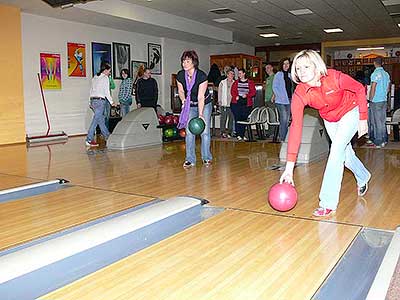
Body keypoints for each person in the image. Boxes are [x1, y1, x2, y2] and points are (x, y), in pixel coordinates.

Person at [280, 50, 370, 217]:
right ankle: (363, 176)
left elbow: (359, 88)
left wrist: (363, 118)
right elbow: (296, 128)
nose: (302, 71)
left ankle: (327, 202)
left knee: (335, 151)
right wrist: (289, 168)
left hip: (352, 110)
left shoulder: (334, 77)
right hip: (330, 118)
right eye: (298, 68)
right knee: (345, 154)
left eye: (306, 66)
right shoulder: (300, 94)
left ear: (316, 66)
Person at [177, 50, 213, 168]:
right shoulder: (181, 75)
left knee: (205, 132)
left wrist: (201, 115)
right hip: (190, 105)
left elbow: (200, 97)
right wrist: (183, 101)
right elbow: (181, 91)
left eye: (188, 61)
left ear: (194, 62)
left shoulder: (202, 76)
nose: (184, 64)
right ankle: (190, 159)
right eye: (183, 61)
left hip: (204, 103)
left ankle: (206, 158)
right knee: (189, 132)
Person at [86, 62, 116, 147]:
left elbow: (91, 90)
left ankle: (107, 136)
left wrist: (90, 102)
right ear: (105, 70)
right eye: (109, 71)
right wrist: (111, 102)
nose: (109, 73)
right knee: (95, 120)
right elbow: (106, 91)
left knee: (100, 120)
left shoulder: (95, 77)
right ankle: (88, 139)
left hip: (93, 100)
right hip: (100, 101)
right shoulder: (105, 78)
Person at [369, 57, 390, 148]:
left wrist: (370, 99)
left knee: (376, 122)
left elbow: (373, 88)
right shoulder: (386, 74)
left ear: (374, 63)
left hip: (376, 101)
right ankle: (384, 140)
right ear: (382, 63)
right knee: (382, 121)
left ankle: (378, 142)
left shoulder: (375, 74)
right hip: (384, 100)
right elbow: (388, 88)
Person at [231, 68, 256, 141]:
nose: (239, 75)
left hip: (246, 103)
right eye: (238, 74)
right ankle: (239, 134)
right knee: (237, 118)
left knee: (244, 118)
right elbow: (232, 91)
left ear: (244, 73)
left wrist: (247, 95)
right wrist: (236, 96)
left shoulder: (250, 82)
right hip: (237, 103)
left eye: (240, 73)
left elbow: (253, 92)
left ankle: (242, 134)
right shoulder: (236, 82)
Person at [273, 57, 293, 142]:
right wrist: (279, 96)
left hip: (289, 100)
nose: (286, 65)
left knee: (287, 119)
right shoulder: (278, 74)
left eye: (287, 64)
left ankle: (286, 137)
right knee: (284, 119)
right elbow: (275, 87)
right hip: (280, 101)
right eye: (284, 64)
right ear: (281, 65)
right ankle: (282, 138)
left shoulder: (290, 75)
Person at [218, 69, 235, 138]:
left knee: (231, 118)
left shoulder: (235, 83)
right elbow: (219, 92)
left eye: (233, 74)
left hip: (232, 104)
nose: (232, 75)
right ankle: (222, 132)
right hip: (224, 103)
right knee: (223, 118)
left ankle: (230, 132)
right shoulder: (222, 82)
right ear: (227, 74)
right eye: (231, 74)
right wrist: (219, 101)